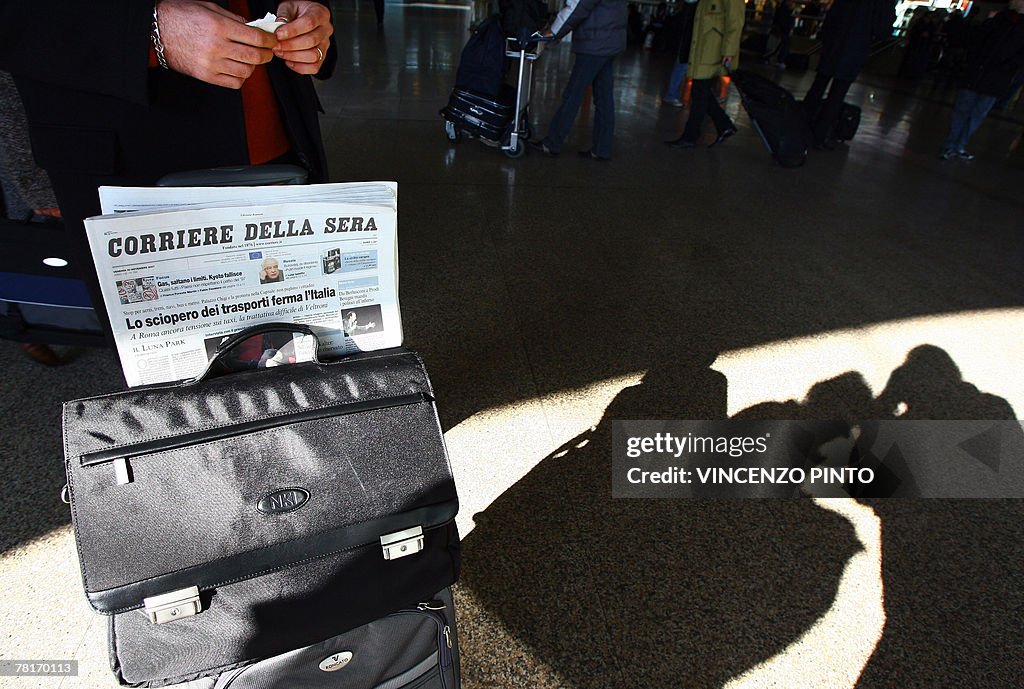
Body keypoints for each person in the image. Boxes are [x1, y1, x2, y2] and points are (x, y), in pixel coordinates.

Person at [0, 1, 336, 340]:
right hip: (131, 152)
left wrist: (312, 22)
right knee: (175, 349)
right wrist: (147, 33)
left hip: (277, 130)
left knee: (299, 335)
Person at [528, 0, 629, 162]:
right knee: (604, 98)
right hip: (610, 41)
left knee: (573, 95)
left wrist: (553, 32)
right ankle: (602, 149)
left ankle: (552, 143)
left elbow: (577, 7)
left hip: (595, 43)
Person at [802, 0, 896, 150]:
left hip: (834, 44)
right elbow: (882, 29)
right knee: (836, 95)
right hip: (856, 48)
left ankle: (800, 124)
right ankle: (819, 135)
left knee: (817, 87)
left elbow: (832, 17)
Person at [939, 0, 1024, 160]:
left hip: (994, 77)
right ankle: (952, 145)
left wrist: (1004, 66)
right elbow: (975, 39)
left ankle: (958, 145)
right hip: (980, 74)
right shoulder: (999, 19)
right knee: (964, 110)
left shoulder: (1005, 21)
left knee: (976, 113)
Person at [664, 0, 744, 149]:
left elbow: (735, 19)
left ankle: (692, 135)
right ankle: (723, 125)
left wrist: (729, 50)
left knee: (700, 90)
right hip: (704, 45)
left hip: (712, 47)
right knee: (701, 90)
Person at [662, 1, 699, 107]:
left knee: (681, 67)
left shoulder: (686, 9)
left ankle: (671, 94)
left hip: (684, 42)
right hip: (687, 42)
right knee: (681, 67)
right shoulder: (694, 9)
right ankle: (671, 94)